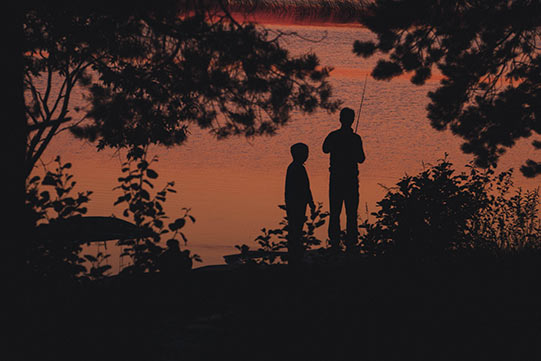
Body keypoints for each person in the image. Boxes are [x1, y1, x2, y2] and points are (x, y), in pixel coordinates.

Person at [323, 107, 366, 251]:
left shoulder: (333, 136)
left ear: (340, 119)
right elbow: (361, 159)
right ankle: (351, 242)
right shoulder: (355, 139)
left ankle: (334, 241)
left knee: (335, 211)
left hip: (336, 180)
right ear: (352, 120)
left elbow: (325, 149)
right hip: (350, 180)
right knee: (351, 212)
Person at [285, 142, 316, 265]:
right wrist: (311, 203)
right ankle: (295, 255)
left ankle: (294, 253)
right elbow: (305, 188)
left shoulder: (293, 167)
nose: (307, 155)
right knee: (296, 229)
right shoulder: (298, 168)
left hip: (293, 203)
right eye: (305, 153)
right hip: (296, 204)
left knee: (294, 228)